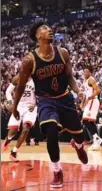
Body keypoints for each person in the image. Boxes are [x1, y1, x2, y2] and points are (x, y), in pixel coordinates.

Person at [12, 22, 88, 188]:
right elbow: (21, 85)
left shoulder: (63, 53)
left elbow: (69, 77)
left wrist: (78, 91)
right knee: (51, 131)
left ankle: (79, 145)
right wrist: (14, 106)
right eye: (45, 29)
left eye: (49, 28)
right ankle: (57, 170)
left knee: (79, 135)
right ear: (38, 36)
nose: (50, 30)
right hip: (46, 100)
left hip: (65, 98)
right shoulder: (29, 61)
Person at [3, 75, 37, 161]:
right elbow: (8, 91)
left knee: (26, 129)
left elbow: (42, 94)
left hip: (30, 107)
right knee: (13, 130)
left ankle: (13, 152)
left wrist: (35, 104)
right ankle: (8, 139)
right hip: (18, 106)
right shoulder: (17, 78)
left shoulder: (36, 79)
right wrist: (10, 103)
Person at [81, 66, 102, 151]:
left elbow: (98, 90)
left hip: (93, 101)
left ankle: (96, 139)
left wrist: (90, 97)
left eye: (87, 71)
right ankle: (96, 140)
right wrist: (83, 103)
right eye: (84, 71)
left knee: (86, 121)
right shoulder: (85, 80)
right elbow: (86, 93)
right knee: (88, 122)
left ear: (90, 72)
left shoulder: (91, 80)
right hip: (89, 102)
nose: (85, 73)